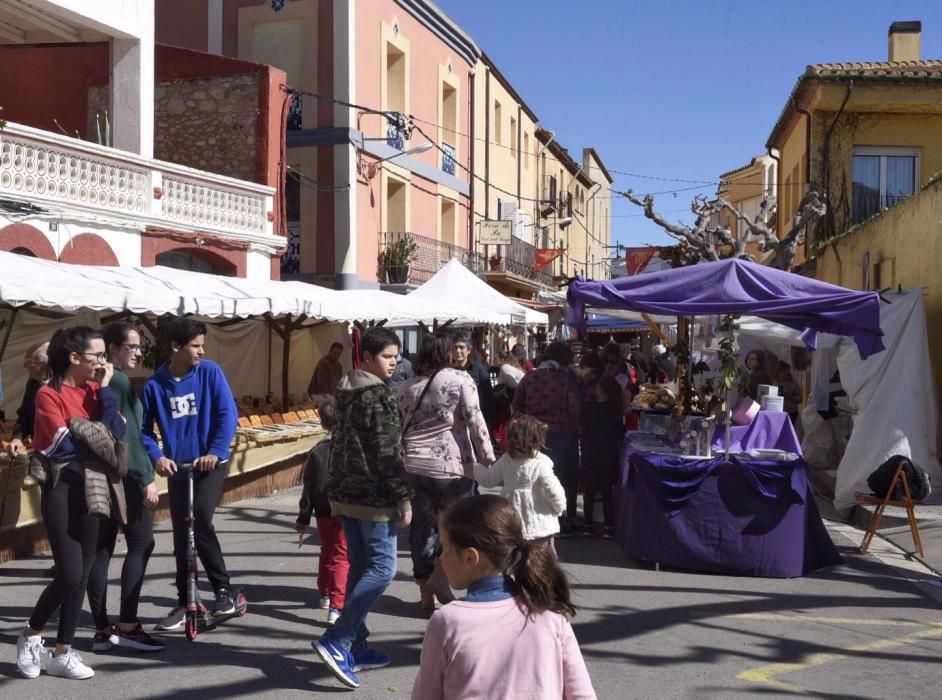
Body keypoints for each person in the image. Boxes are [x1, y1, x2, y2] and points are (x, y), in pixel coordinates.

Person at [16, 326, 126, 680]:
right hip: (62, 487)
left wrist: (104, 400)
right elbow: (61, 446)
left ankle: (64, 650)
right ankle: (31, 633)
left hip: (95, 488)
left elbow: (118, 431)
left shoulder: (97, 390)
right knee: (69, 572)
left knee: (83, 572)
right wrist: (98, 434)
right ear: (75, 358)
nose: (102, 361)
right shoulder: (47, 394)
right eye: (97, 355)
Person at [411, 495, 596, 699]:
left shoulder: (447, 621)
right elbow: (582, 694)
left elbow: (425, 695)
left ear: (470, 557)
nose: (439, 557)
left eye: (443, 547)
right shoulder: (548, 612)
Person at [312, 327, 412, 690]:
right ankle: (339, 638)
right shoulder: (378, 396)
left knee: (359, 565)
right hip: (371, 494)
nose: (393, 363)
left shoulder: (345, 390)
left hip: (343, 491)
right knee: (383, 568)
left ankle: (356, 642)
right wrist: (403, 497)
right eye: (387, 357)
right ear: (367, 358)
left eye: (396, 357)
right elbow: (388, 452)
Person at [141, 317, 239, 631]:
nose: (201, 351)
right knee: (182, 534)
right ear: (175, 347)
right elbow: (143, 431)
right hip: (179, 468)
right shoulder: (155, 385)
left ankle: (224, 590)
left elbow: (227, 414)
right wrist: (157, 456)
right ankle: (185, 600)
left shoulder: (210, 372)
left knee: (200, 518)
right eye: (195, 346)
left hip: (209, 464)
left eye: (201, 345)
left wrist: (215, 451)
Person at [395, 333, 494, 609]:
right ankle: (449, 579)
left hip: (413, 466)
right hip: (452, 468)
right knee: (458, 528)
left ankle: (426, 591)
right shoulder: (459, 380)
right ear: (447, 353)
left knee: (421, 529)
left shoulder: (406, 387)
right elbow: (476, 421)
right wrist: (488, 459)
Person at [85, 323, 164, 653]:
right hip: (124, 475)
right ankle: (128, 624)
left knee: (101, 550)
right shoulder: (116, 380)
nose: (137, 352)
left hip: (97, 475)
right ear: (114, 348)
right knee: (141, 543)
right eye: (131, 347)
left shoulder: (96, 380)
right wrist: (146, 476)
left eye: (137, 347)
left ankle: (102, 627)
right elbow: (128, 435)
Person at [512, 341, 581, 534]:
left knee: (532, 475)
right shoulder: (567, 379)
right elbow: (574, 408)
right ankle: (558, 518)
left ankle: (533, 515)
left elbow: (517, 405)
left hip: (531, 433)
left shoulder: (529, 377)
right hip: (559, 432)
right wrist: (574, 429)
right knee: (557, 476)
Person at [473, 415, 565, 555]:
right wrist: (558, 508)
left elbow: (488, 480)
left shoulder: (506, 459)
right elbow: (554, 491)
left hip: (512, 521)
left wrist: (477, 467)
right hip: (539, 524)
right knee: (539, 561)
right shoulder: (541, 463)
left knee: (514, 557)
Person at [295, 396, 347, 626]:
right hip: (346, 509)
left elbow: (309, 487)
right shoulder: (351, 449)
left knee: (327, 551)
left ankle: (324, 593)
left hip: (323, 510)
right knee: (341, 556)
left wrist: (304, 516)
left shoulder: (317, 452)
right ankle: (337, 604)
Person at [580, 376, 625, 539]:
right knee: (607, 490)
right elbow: (620, 433)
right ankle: (608, 525)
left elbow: (582, 427)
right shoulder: (614, 409)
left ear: (600, 389)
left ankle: (587, 524)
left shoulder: (588, 407)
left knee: (589, 490)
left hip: (590, 451)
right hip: (608, 452)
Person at [6, 341, 49, 456]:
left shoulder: (64, 385)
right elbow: (25, 414)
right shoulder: (33, 383)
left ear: (45, 364)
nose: (25, 366)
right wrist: (17, 438)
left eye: (29, 362)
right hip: (40, 451)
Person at [452, 330, 496, 432]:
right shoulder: (448, 372)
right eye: (455, 347)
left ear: (469, 350)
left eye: (461, 347)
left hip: (475, 422)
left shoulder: (478, 370)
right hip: (455, 424)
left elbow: (489, 397)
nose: (458, 351)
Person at [773, 360, 802, 425]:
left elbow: (800, 399)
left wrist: (790, 397)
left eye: (785, 371)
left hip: (791, 412)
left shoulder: (793, 383)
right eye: (781, 371)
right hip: (777, 411)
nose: (783, 373)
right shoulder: (774, 383)